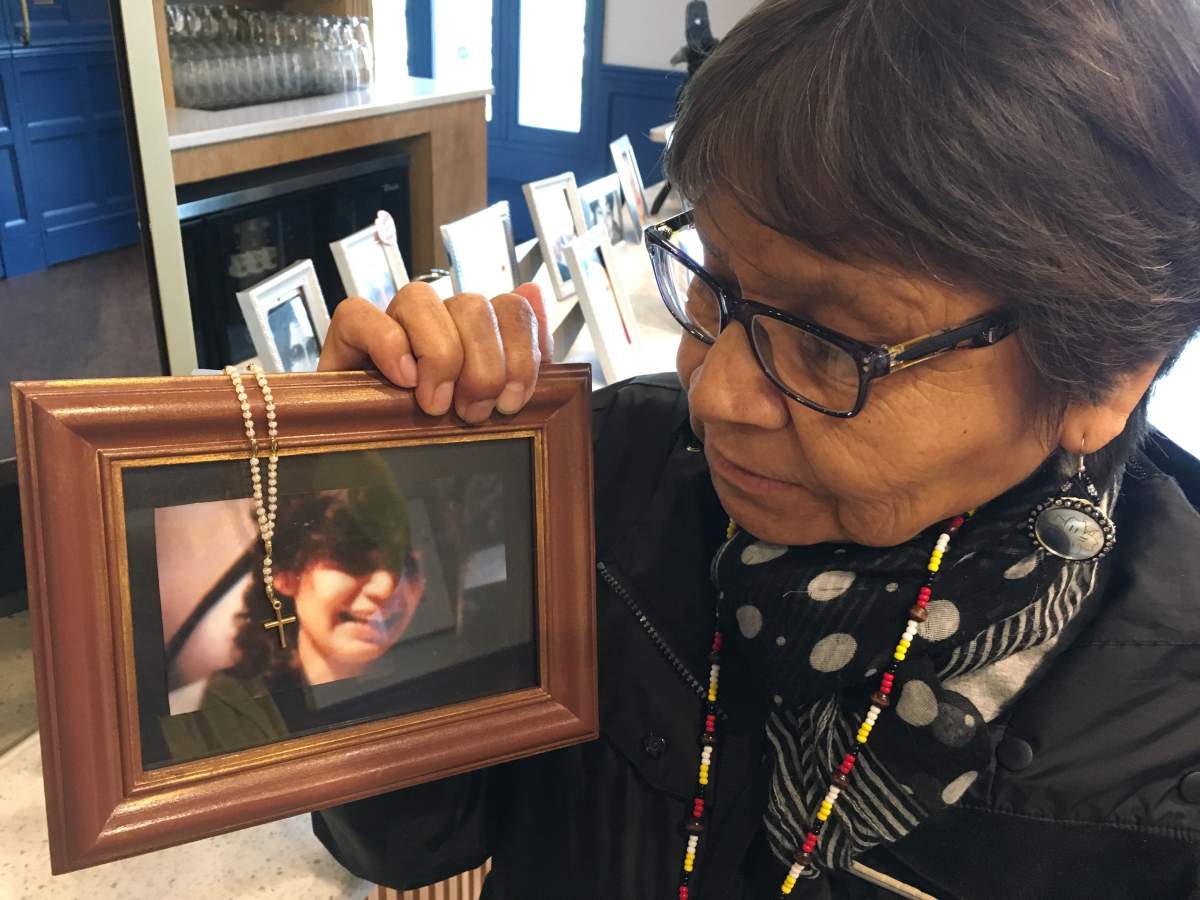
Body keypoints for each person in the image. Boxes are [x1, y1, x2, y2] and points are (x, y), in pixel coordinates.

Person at [310, 1, 1200, 897]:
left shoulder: (1165, 761)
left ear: (1105, 376)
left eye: (830, 342)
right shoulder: (605, 473)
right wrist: (391, 491)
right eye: (715, 286)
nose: (716, 394)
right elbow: (402, 845)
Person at [162, 480, 424, 760]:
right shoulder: (229, 716)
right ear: (285, 574)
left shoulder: (429, 682)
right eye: (351, 557)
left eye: (404, 563)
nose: (387, 586)